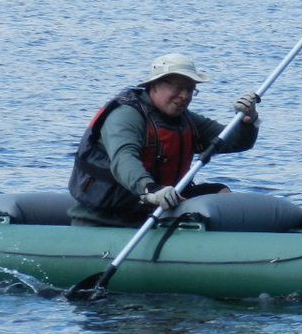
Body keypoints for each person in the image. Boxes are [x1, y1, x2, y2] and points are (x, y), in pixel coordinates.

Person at [68, 53, 260, 227]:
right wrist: (150, 189)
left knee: (220, 194)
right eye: (177, 87)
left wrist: (247, 121)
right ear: (154, 86)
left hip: (156, 209)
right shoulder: (125, 115)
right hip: (107, 217)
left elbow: (234, 141)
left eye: (190, 89)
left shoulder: (186, 119)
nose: (184, 96)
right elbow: (124, 159)